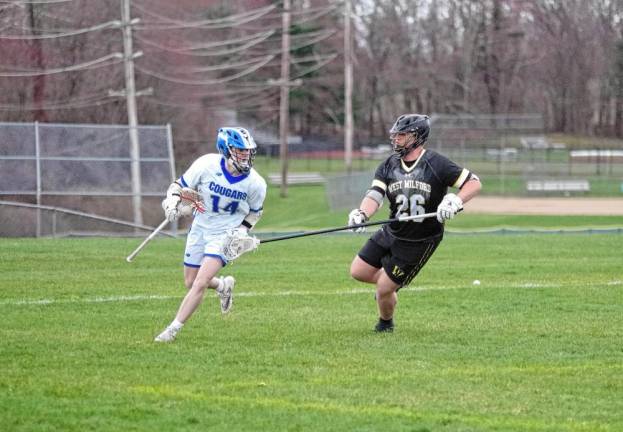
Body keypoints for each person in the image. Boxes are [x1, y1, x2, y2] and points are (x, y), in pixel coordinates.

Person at [348, 114, 482, 333]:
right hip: (392, 230)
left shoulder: (436, 163)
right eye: (396, 135)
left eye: (402, 135)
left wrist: (456, 200)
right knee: (358, 271)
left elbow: (474, 183)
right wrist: (362, 213)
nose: (396, 140)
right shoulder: (389, 165)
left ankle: (385, 323)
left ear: (417, 137)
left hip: (420, 240)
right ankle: (390, 288)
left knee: (383, 289)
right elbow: (375, 194)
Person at [154, 127, 267, 342]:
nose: (246, 156)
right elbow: (179, 186)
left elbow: (255, 213)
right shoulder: (206, 164)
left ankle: (172, 330)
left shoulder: (256, 183)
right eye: (240, 151)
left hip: (225, 235)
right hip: (200, 228)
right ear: (226, 149)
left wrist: (241, 233)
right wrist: (172, 202)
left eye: (248, 152)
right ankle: (223, 285)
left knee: (200, 282)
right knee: (191, 281)